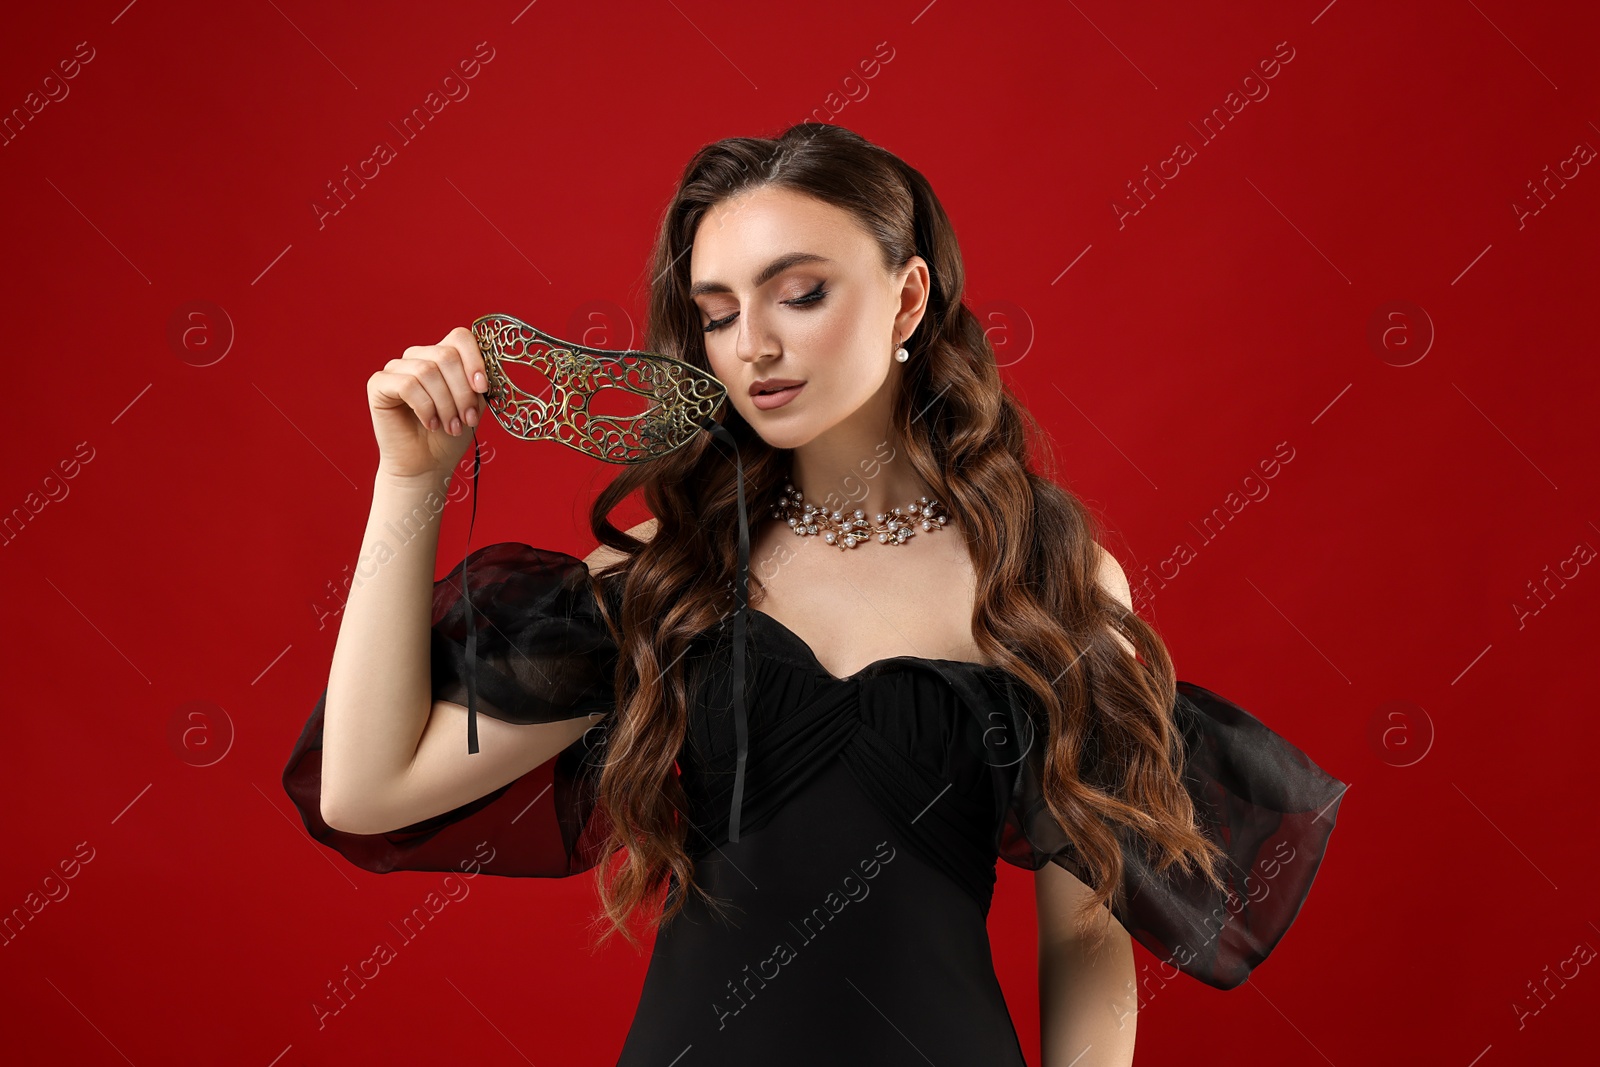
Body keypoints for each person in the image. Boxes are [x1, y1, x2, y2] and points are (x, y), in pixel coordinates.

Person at [282, 122, 1346, 1066]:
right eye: (715, 312)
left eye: (799, 292)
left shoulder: (1047, 580)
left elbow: (1080, 932)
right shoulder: (669, 571)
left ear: (908, 296)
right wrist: (410, 482)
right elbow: (366, 793)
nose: (752, 344)